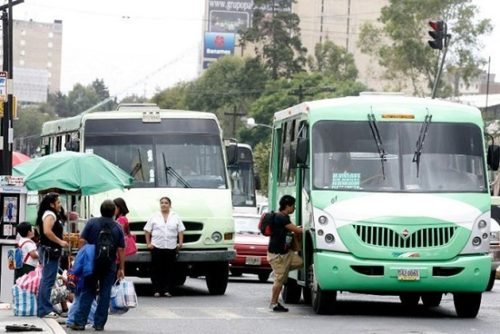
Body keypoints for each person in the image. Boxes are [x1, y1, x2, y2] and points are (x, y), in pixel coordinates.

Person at [70, 200, 125, 331]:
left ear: (101, 210)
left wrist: (81, 258)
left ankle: (79, 322)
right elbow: (121, 249)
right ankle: (99, 324)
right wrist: (121, 268)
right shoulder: (117, 227)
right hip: (109, 264)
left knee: (88, 291)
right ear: (114, 212)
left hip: (91, 263)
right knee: (105, 294)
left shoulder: (92, 223)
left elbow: (82, 241)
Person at [267, 195, 303, 312]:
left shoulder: (283, 217)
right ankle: (274, 303)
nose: (294, 208)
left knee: (301, 262)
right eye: (293, 205)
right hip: (278, 256)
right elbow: (297, 230)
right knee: (279, 280)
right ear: (287, 206)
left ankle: (280, 271)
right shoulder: (281, 218)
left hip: (286, 254)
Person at [144, 196, 185, 297]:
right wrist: (148, 243)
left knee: (169, 269)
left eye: (166, 203)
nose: (164, 204)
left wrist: (180, 243)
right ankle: (156, 290)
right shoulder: (154, 216)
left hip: (170, 247)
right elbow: (147, 230)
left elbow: (181, 230)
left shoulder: (175, 216)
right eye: (162, 203)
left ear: (170, 205)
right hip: (157, 246)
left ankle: (167, 290)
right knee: (156, 269)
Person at [37, 192, 68, 319]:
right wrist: (60, 241)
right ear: (51, 204)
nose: (60, 205)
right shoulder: (50, 214)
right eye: (58, 202)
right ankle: (44, 309)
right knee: (48, 280)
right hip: (50, 250)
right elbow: (47, 231)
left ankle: (44, 308)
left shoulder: (53, 214)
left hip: (51, 250)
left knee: (48, 279)